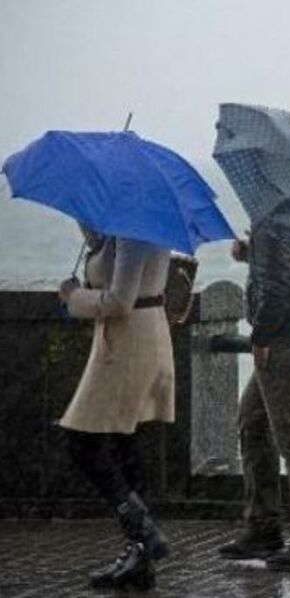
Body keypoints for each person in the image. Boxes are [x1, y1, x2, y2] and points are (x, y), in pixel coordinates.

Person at [217, 205, 290, 571]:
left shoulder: (272, 224)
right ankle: (263, 528)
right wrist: (254, 253)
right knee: (253, 424)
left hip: (284, 342)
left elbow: (279, 288)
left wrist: (262, 335)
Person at [58, 230, 173, 591]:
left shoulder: (132, 233)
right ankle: (140, 556)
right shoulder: (130, 227)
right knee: (125, 446)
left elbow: (121, 300)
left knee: (83, 442)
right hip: (140, 337)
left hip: (128, 343)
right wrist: (94, 241)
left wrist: (73, 296)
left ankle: (142, 530)